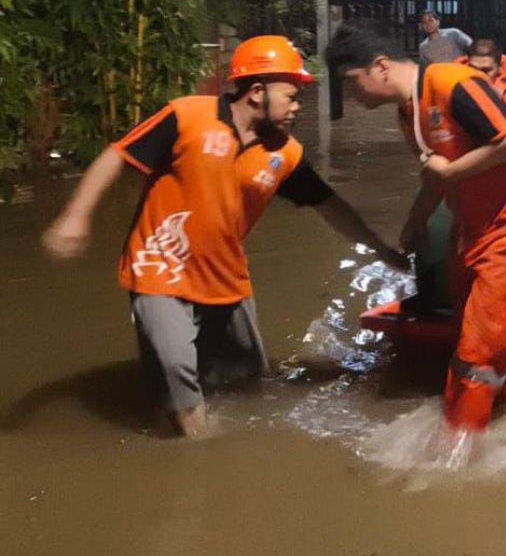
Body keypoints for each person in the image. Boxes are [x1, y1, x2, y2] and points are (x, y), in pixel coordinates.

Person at [41, 36, 402, 438]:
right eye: (291, 95)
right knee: (177, 367)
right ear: (257, 91)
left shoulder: (285, 154)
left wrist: (380, 247)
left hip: (224, 273)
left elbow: (329, 206)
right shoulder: (187, 117)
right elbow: (116, 155)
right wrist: (75, 216)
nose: (297, 105)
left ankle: (184, 425)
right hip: (159, 264)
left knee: (247, 383)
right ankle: (198, 451)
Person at [325, 22, 506, 437]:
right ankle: (500, 415)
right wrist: (413, 224)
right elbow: (436, 177)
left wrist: (452, 168)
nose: (352, 97)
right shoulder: (408, 111)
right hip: (471, 230)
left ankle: (457, 459)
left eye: (350, 82)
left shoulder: (451, 82)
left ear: (379, 66)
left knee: (475, 354)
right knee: (469, 338)